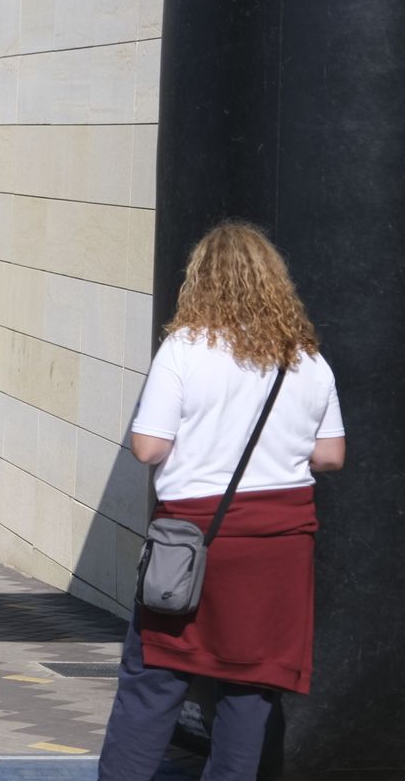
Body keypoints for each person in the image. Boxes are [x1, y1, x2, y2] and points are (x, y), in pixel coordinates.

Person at [97, 221, 344, 780]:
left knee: (153, 682)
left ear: (199, 281)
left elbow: (148, 446)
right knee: (251, 690)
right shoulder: (305, 360)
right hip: (278, 553)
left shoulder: (184, 350)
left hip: (193, 546)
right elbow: (330, 456)